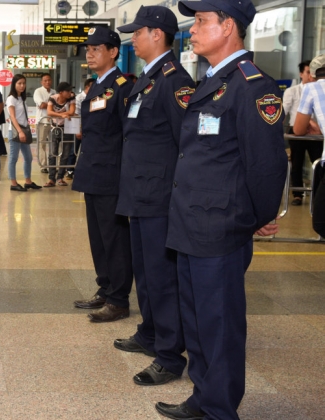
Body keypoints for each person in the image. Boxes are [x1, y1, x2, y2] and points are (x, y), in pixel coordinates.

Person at [158, 1, 288, 419]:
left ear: (228, 26)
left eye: (200, 22)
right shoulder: (213, 81)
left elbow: (267, 164)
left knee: (220, 325)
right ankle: (204, 396)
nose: (191, 31)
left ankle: (220, 409)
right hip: (191, 221)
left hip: (220, 226)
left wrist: (259, 217)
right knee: (196, 321)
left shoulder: (253, 86)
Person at [114, 5, 195, 388]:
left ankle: (169, 355)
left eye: (138, 31)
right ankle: (149, 332)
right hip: (139, 193)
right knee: (145, 274)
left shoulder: (175, 81)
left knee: (162, 278)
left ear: (158, 35)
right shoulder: (147, 79)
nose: (133, 37)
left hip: (159, 196)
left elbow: (187, 144)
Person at [71, 26, 134, 323]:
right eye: (89, 49)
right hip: (93, 173)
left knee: (115, 239)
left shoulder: (122, 86)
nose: (91, 53)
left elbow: (128, 135)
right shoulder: (97, 85)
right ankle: (106, 289)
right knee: (98, 238)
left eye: (97, 48)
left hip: (111, 175)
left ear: (113, 52)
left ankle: (119, 299)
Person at [285, 60, 322, 205]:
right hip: (296, 132)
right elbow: (284, 112)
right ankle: (297, 194)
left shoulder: (318, 90)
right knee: (297, 163)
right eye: (308, 72)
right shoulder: (293, 91)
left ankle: (318, 193)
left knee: (318, 162)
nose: (311, 75)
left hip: (315, 133)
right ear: (301, 74)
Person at [6, 74, 40, 192]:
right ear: (14, 84)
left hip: (24, 130)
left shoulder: (21, 98)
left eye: (24, 83)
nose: (22, 86)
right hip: (16, 132)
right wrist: (20, 131)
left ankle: (28, 181)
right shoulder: (11, 98)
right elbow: (13, 117)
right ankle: (13, 183)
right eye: (19, 83)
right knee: (13, 158)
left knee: (28, 157)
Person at [44, 82, 76, 187]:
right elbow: (49, 112)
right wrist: (62, 115)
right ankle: (51, 178)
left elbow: (72, 111)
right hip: (55, 128)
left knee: (65, 154)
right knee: (52, 153)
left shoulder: (71, 97)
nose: (70, 93)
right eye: (68, 91)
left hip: (67, 128)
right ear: (61, 92)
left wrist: (58, 114)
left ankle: (60, 178)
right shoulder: (52, 98)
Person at [34, 74, 56, 170]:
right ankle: (44, 166)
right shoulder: (38, 91)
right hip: (42, 122)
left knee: (54, 143)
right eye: (45, 80)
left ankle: (52, 164)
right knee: (41, 144)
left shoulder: (54, 92)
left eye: (49, 80)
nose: (47, 82)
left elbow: (58, 105)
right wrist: (52, 104)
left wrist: (47, 104)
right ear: (41, 82)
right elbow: (41, 105)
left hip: (53, 122)